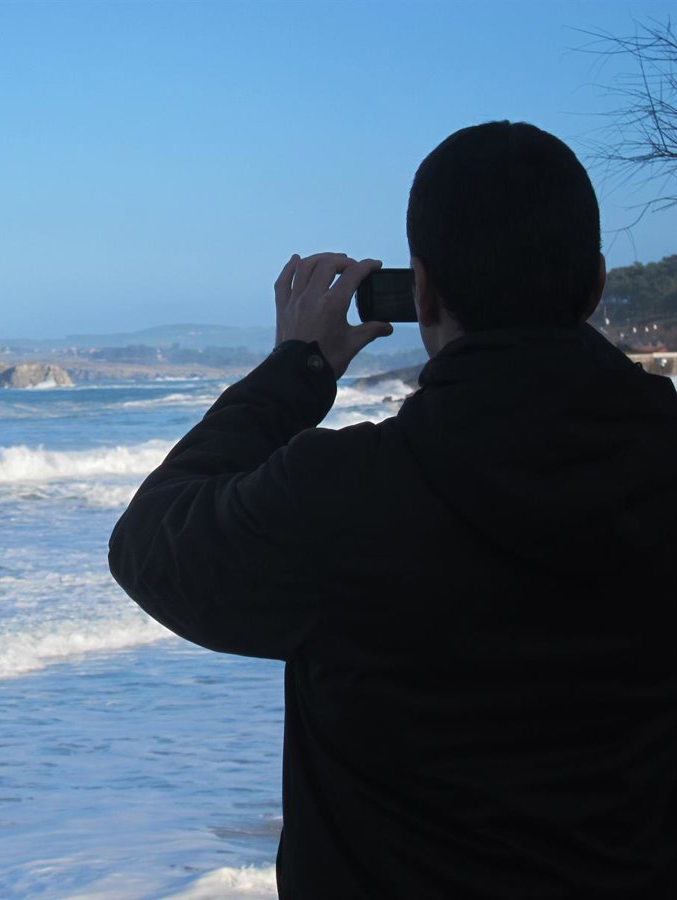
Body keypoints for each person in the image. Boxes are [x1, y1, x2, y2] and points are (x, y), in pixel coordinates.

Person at [107, 121, 677, 898]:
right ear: (596, 287)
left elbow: (151, 544)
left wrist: (297, 368)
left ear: (424, 293)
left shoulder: (345, 495)